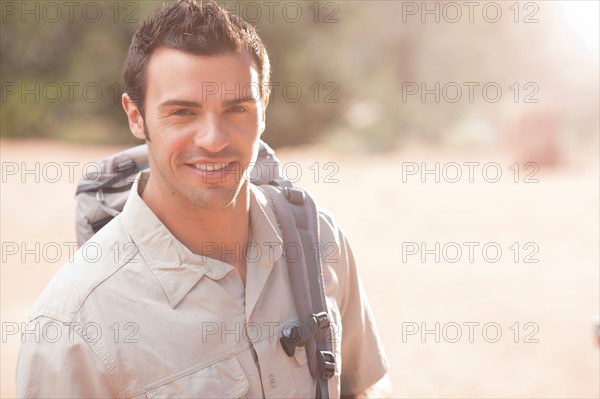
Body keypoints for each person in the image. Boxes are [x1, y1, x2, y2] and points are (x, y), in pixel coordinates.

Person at [16, 1, 389, 397]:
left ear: (263, 108)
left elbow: (362, 388)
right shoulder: (71, 326)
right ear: (136, 115)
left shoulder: (318, 239)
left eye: (236, 109)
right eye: (182, 112)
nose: (213, 139)